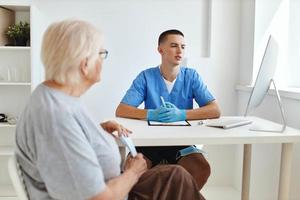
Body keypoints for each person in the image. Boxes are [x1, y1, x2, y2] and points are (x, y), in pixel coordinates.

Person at [15, 20, 203, 200]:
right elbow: (97, 197)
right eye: (101, 53)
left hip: (115, 185)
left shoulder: (57, 97)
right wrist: (133, 172)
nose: (103, 60)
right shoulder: (55, 116)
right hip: (116, 193)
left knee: (176, 176)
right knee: (177, 177)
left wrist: (96, 131)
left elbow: (69, 142)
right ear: (84, 62)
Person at [116, 29, 221, 195]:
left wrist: (182, 114)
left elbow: (214, 110)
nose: (180, 51)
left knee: (202, 168)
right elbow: (122, 109)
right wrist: (151, 114)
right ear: (160, 50)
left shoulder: (191, 77)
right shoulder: (145, 77)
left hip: (182, 143)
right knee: (132, 170)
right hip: (150, 143)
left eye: (183, 46)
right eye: (174, 46)